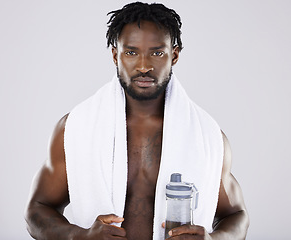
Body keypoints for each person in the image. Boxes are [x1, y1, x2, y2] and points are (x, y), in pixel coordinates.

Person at [25, 2, 249, 240]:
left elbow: (236, 215)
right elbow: (37, 209)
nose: (144, 66)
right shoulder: (75, 128)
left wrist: (214, 239)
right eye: (131, 52)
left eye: (157, 52)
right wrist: (79, 237)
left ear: (174, 55)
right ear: (115, 55)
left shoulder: (208, 136)